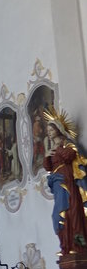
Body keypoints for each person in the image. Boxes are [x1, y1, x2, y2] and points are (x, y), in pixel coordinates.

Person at [43, 108, 87, 256]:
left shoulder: (67, 144)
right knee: (57, 215)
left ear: (58, 129)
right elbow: (48, 167)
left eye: (51, 129)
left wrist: (58, 149)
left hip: (67, 181)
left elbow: (70, 156)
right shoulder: (52, 148)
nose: (49, 132)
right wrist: (47, 156)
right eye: (48, 130)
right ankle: (65, 246)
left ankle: (78, 245)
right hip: (56, 183)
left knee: (69, 212)